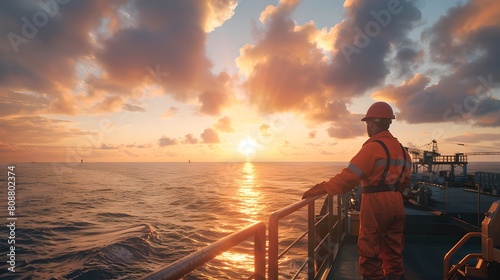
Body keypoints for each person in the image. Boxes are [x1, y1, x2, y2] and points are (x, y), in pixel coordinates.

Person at [302, 101, 411, 280]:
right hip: (397, 202)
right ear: (388, 122)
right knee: (393, 251)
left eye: (367, 123)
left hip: (376, 203)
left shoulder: (372, 148)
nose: (367, 127)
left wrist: (322, 188)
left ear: (372, 123)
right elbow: (405, 181)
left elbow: (349, 178)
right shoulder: (403, 151)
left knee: (370, 252)